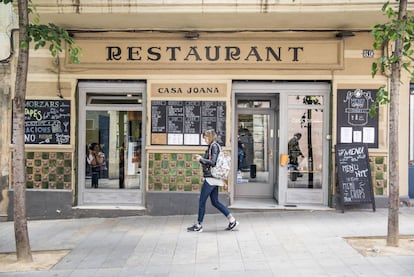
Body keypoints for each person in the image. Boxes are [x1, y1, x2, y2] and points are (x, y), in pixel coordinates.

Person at [187, 129, 239, 233]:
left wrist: (201, 159)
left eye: (205, 137)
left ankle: (199, 225)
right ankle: (232, 220)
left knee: (202, 201)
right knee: (215, 202)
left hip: (211, 178)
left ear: (210, 137)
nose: (204, 140)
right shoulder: (214, 146)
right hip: (214, 178)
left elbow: (213, 162)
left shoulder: (213, 146)